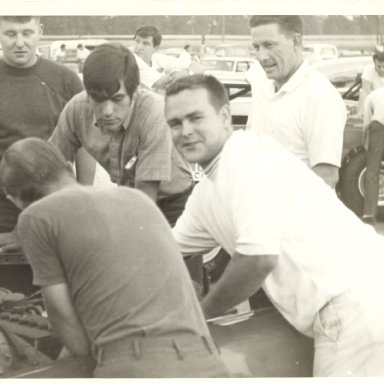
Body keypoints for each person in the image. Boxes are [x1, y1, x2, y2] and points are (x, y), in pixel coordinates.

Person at [165, 74, 384, 377]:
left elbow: (258, 258)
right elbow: (162, 250)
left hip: (355, 304)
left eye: (195, 118)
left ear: (225, 116)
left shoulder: (244, 156)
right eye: (175, 123)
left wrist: (199, 316)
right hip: (346, 304)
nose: (185, 131)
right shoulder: (206, 192)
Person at [0, 137, 229, 378]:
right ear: (68, 167)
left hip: (134, 369)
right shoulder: (137, 198)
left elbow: (61, 314)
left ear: (14, 200)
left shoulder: (35, 218)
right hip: (208, 363)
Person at [49, 42, 194, 228]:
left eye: (117, 99)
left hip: (174, 206)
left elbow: (143, 203)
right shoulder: (77, 108)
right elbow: (50, 171)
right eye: (98, 99)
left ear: (135, 93)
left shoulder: (155, 112)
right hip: (129, 197)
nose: (108, 111)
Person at [0, 16, 83, 272]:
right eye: (10, 34)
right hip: (3, 211)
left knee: (53, 284)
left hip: (55, 207)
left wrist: (82, 198)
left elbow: (83, 143)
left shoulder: (66, 80)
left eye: (27, 32)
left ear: (40, 31)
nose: (20, 43)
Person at [246, 16, 347, 188]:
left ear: (296, 41)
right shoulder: (264, 90)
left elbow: (326, 178)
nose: (261, 56)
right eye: (256, 47)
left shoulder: (319, 95)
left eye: (269, 45)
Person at [361, 86, 384, 223]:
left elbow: (366, 124)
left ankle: (369, 214)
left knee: (373, 170)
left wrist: (366, 146)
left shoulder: (371, 96)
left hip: (379, 125)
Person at [359, 49, 384, 115]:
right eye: (378, 66)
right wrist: (361, 111)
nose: (382, 69)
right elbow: (365, 90)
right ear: (374, 63)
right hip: (373, 102)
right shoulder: (368, 70)